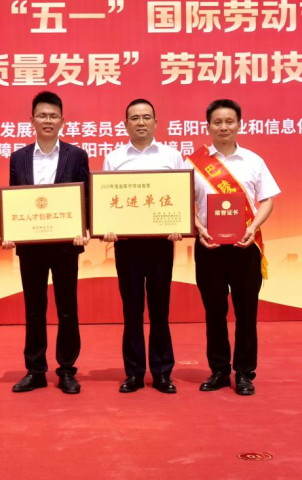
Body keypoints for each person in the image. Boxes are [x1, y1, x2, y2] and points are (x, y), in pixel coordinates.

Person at [187, 99, 280, 396]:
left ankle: (244, 372)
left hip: (245, 246)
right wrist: (198, 228)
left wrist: (253, 228)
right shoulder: (194, 163)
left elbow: (267, 200)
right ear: (208, 126)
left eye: (229, 121)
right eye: (217, 122)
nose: (223, 127)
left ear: (239, 124)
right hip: (209, 246)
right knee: (214, 312)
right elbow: (182, 203)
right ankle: (218, 370)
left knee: (246, 313)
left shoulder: (253, 160)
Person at [1, 91, 90, 394]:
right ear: (32, 120)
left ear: (62, 120)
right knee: (34, 309)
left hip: (66, 244)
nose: (47, 120)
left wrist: (84, 228)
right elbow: (15, 200)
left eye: (53, 116)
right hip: (31, 247)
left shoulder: (76, 155)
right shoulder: (19, 158)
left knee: (67, 309)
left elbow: (85, 197)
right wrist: (10, 231)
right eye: (42, 115)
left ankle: (67, 370)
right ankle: (35, 370)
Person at [102, 99, 186, 394]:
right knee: (132, 310)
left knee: (160, 309)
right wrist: (106, 228)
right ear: (125, 124)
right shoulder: (114, 158)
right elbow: (105, 200)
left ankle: (162, 373)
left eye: (146, 117)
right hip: (127, 245)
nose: (141, 122)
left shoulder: (172, 156)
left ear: (156, 122)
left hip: (161, 244)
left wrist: (179, 223)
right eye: (135, 118)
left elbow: (182, 196)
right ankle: (134, 373)